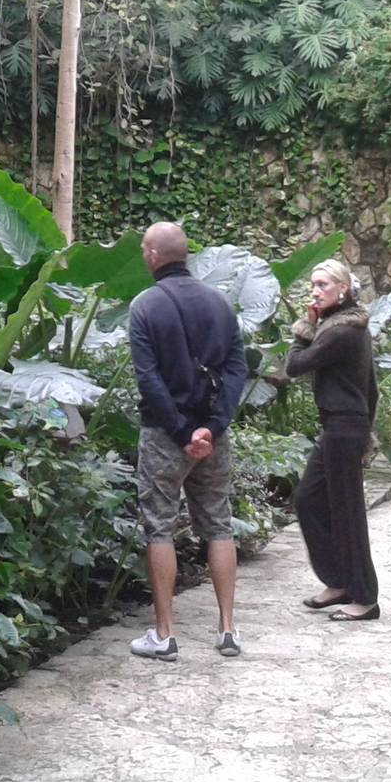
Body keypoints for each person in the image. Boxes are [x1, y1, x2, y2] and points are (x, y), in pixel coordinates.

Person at [126, 221, 249, 661]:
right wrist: (212, 428)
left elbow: (149, 380)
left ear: (153, 256)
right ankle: (228, 629)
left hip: (165, 435)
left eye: (144, 249)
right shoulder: (220, 303)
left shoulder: (144, 306)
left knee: (159, 526)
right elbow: (237, 369)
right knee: (218, 523)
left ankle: (164, 635)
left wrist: (181, 432)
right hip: (213, 436)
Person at [266, 258, 381, 621]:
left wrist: (304, 328)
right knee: (308, 500)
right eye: (313, 284)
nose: (315, 291)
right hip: (341, 427)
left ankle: (365, 598)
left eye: (323, 285)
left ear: (342, 289)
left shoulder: (342, 332)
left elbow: (295, 366)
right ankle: (338, 582)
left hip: (344, 429)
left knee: (347, 513)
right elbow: (372, 388)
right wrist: (367, 430)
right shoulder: (345, 326)